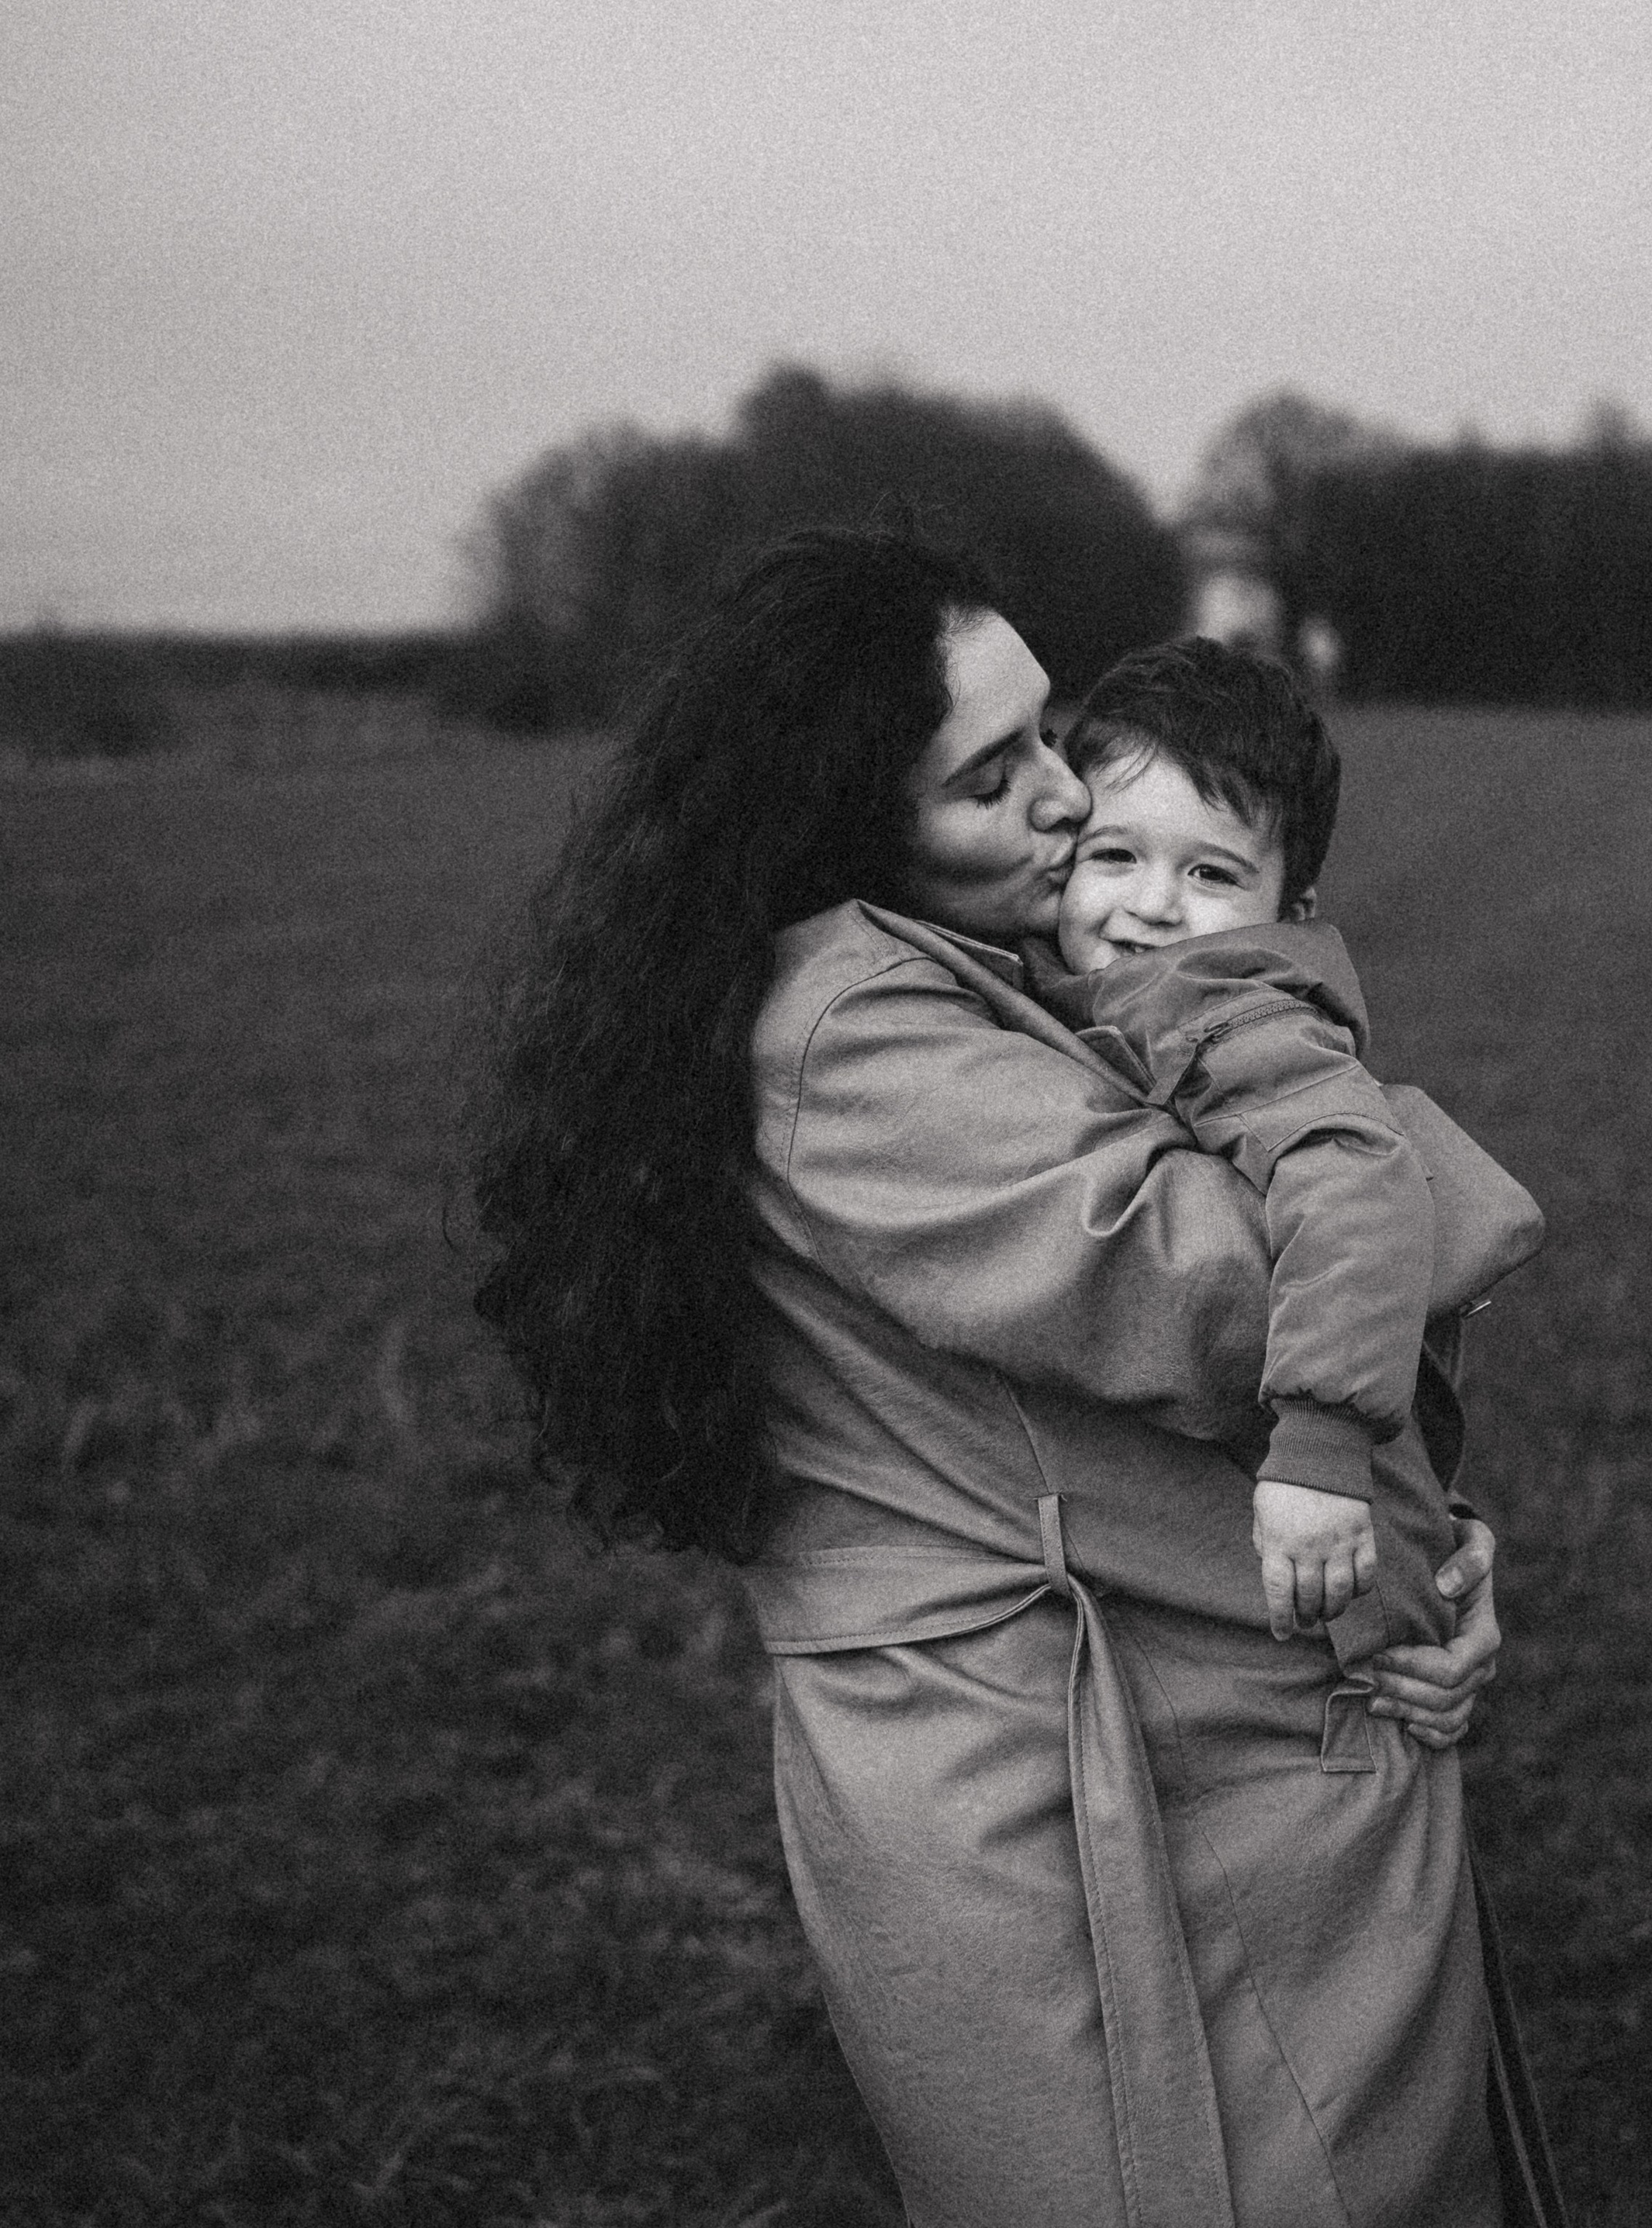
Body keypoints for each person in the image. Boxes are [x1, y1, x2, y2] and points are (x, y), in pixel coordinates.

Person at [472, 526, 1567, 2228]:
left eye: (1047, 731)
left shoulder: (986, 972)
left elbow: (1094, 1399)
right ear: (843, 819)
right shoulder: (855, 1035)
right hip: (1049, 1787)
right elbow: (1223, 1293)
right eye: (996, 778)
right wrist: (1405, 1179)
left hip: (1167, 1713)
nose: (1063, 800)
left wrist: (1431, 1557)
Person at [1032, 635, 1543, 1653]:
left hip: (1314, 1514)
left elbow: (1354, 1182)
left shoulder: (1223, 1009)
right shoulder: (1112, 985)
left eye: (1211, 872)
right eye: (1115, 854)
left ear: (1290, 913)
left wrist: (1319, 1443)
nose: (1152, 905)